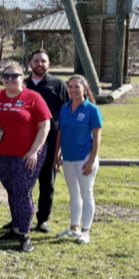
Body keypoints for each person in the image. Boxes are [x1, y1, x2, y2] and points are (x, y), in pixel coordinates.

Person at [0, 62, 52, 253]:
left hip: (26, 154)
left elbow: (45, 126)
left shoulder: (33, 97)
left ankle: (25, 234)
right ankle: (15, 228)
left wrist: (34, 151)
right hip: (1, 153)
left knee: (22, 191)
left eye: (15, 76)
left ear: (23, 77)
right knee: (12, 190)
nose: (10, 79)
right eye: (6, 76)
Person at [54, 74, 103, 245]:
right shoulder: (65, 108)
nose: (73, 90)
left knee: (86, 194)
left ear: (84, 89)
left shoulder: (92, 110)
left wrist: (91, 160)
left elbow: (97, 136)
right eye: (70, 87)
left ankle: (85, 231)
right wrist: (56, 155)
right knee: (74, 194)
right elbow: (61, 132)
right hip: (68, 158)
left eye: (76, 87)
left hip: (84, 158)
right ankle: (74, 228)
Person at [25, 50, 70, 233]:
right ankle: (19, 217)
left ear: (49, 64)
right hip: (25, 139)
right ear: (30, 63)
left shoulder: (58, 85)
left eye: (43, 61)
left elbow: (67, 112)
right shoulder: (23, 84)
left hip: (50, 140)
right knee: (22, 182)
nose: (39, 64)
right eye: (36, 61)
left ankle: (43, 219)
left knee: (47, 182)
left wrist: (60, 147)